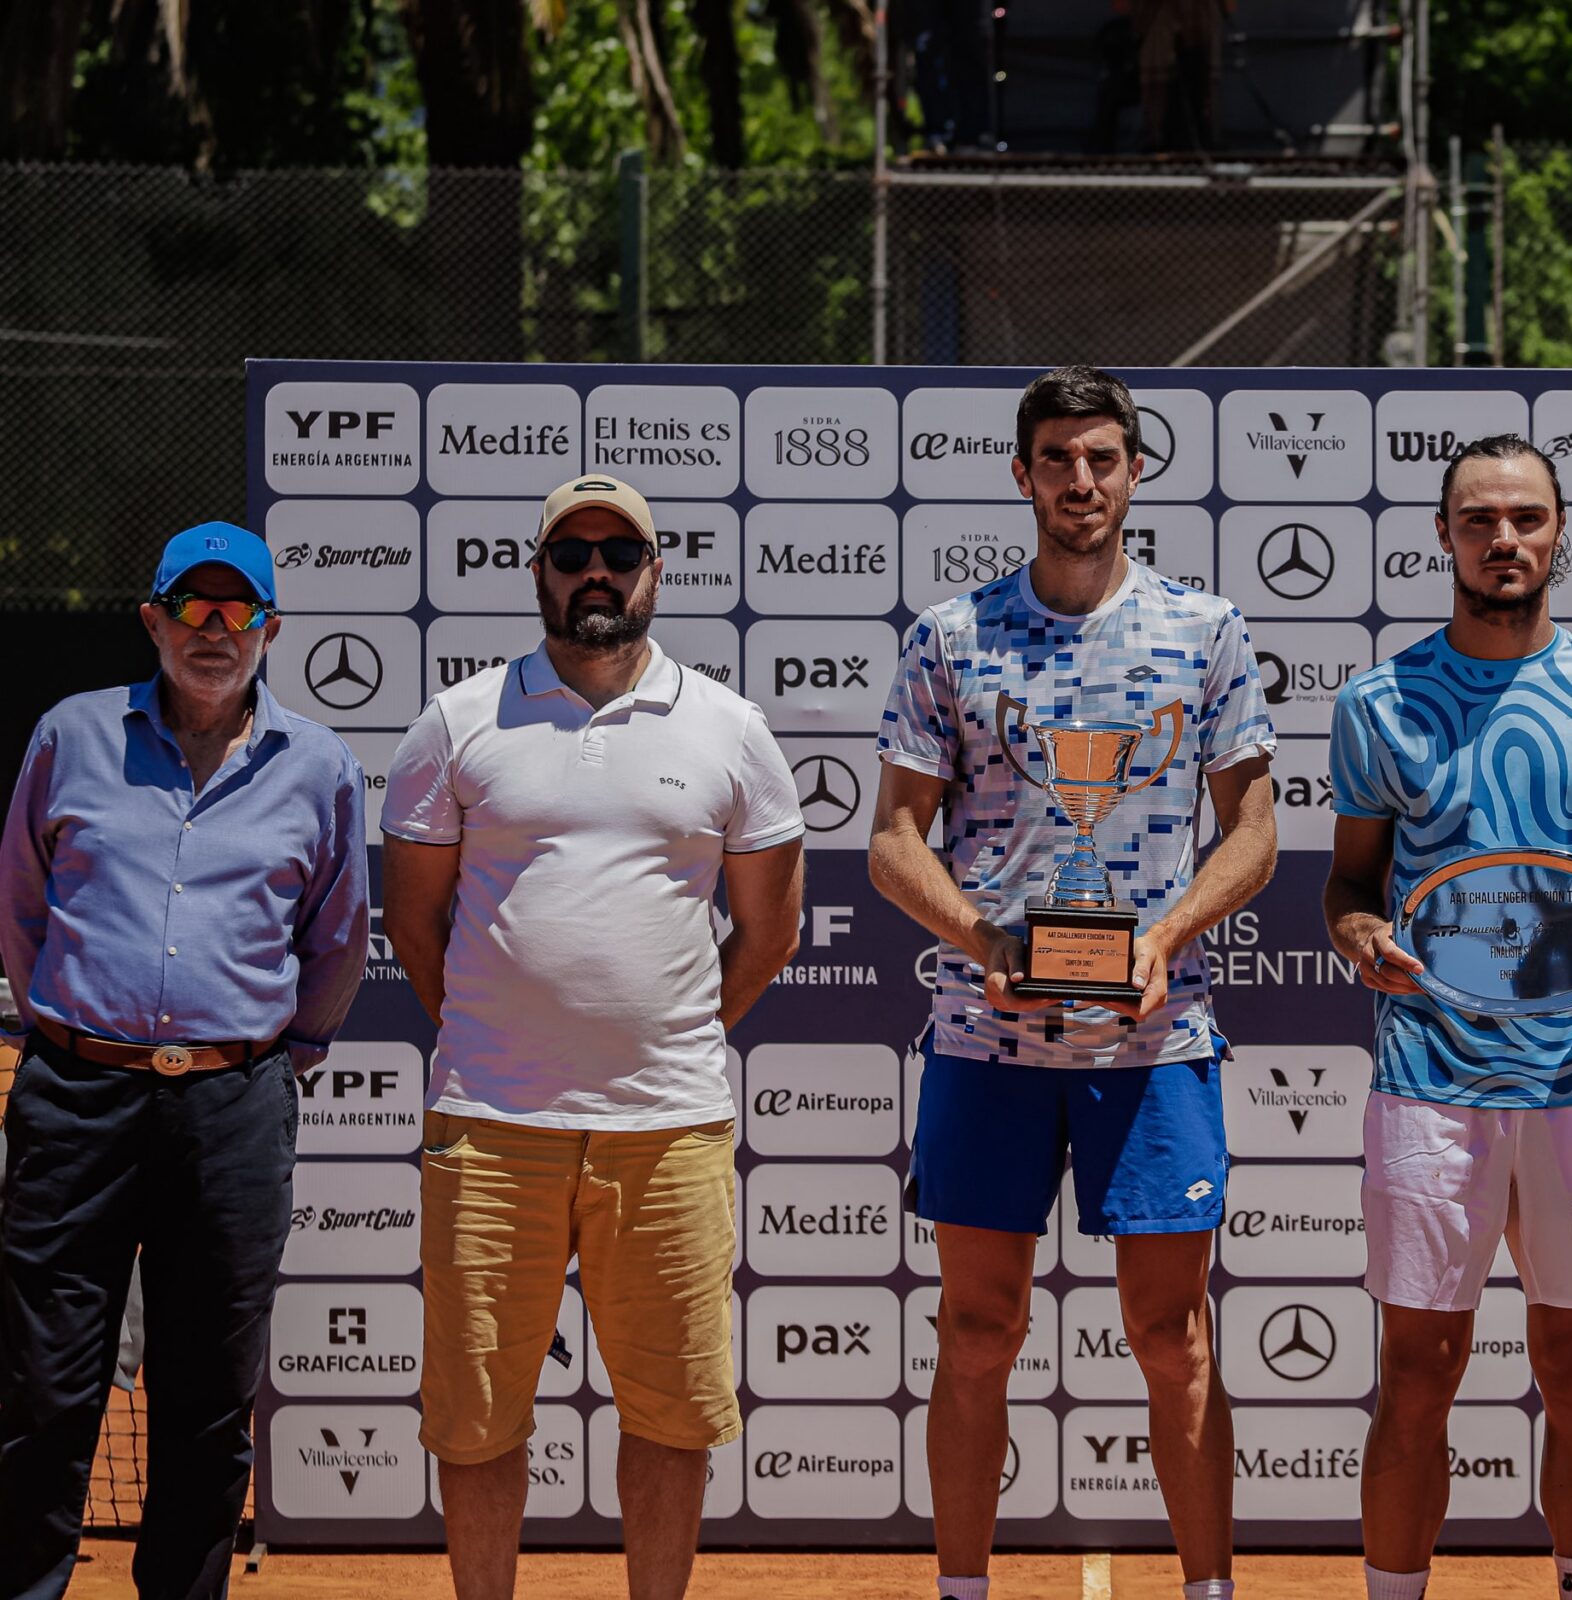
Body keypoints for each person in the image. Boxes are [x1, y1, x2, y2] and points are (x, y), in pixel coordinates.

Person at [872, 365, 1275, 1600]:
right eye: (1057, 459)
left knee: (1173, 1335)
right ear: (1023, 474)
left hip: (1153, 1039)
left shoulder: (1202, 629)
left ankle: (1207, 1590)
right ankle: (962, 1590)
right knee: (977, 1331)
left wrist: (1160, 938)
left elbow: (1252, 832)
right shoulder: (952, 635)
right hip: (984, 1037)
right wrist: (987, 941)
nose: (1081, 481)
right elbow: (892, 839)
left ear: (1135, 469)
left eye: (1102, 457)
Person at [380, 474, 805, 1600]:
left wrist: (671, 1033)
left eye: (620, 551)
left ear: (657, 570)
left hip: (667, 1131)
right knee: (476, 1423)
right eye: (572, 556)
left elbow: (769, 930)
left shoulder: (731, 728)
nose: (596, 572)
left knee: (669, 1419)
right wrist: (491, 1025)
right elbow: (414, 921)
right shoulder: (458, 721)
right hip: (488, 1125)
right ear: (539, 576)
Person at [1323, 434, 1572, 1600]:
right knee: (1418, 1367)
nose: (1505, 540)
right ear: (1444, 535)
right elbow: (1348, 885)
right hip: (1431, 1079)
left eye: (1526, 519)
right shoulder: (1378, 704)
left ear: (1557, 534)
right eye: (1480, 519)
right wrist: (1357, 935)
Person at [0, 523, 367, 1600]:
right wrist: (70, 1031)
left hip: (235, 1105)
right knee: (42, 1388)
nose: (215, 631)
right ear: (153, 619)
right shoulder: (69, 738)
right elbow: (22, 908)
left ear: (271, 628)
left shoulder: (322, 768)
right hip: (76, 1097)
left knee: (209, 1398)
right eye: (193, 608)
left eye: (237, 610)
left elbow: (337, 938)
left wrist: (274, 1057)